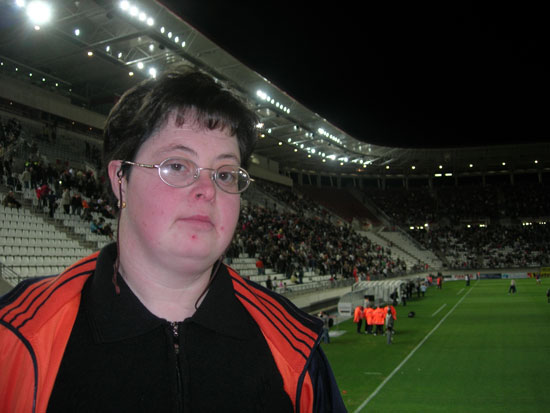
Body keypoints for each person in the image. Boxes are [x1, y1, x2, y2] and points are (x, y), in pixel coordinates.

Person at [0, 65, 346, 413]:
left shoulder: (296, 349)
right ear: (121, 179)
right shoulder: (16, 339)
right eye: (178, 166)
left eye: (225, 173)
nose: (208, 190)